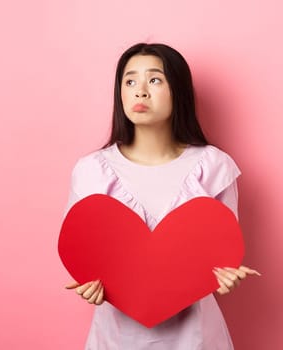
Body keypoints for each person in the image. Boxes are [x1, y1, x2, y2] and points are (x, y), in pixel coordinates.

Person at [62, 42, 259, 349]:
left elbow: (222, 252)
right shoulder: (91, 171)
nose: (140, 91)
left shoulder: (213, 166)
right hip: (115, 339)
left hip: (196, 339)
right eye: (130, 81)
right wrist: (90, 284)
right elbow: (79, 250)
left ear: (178, 91)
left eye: (155, 80)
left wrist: (224, 275)